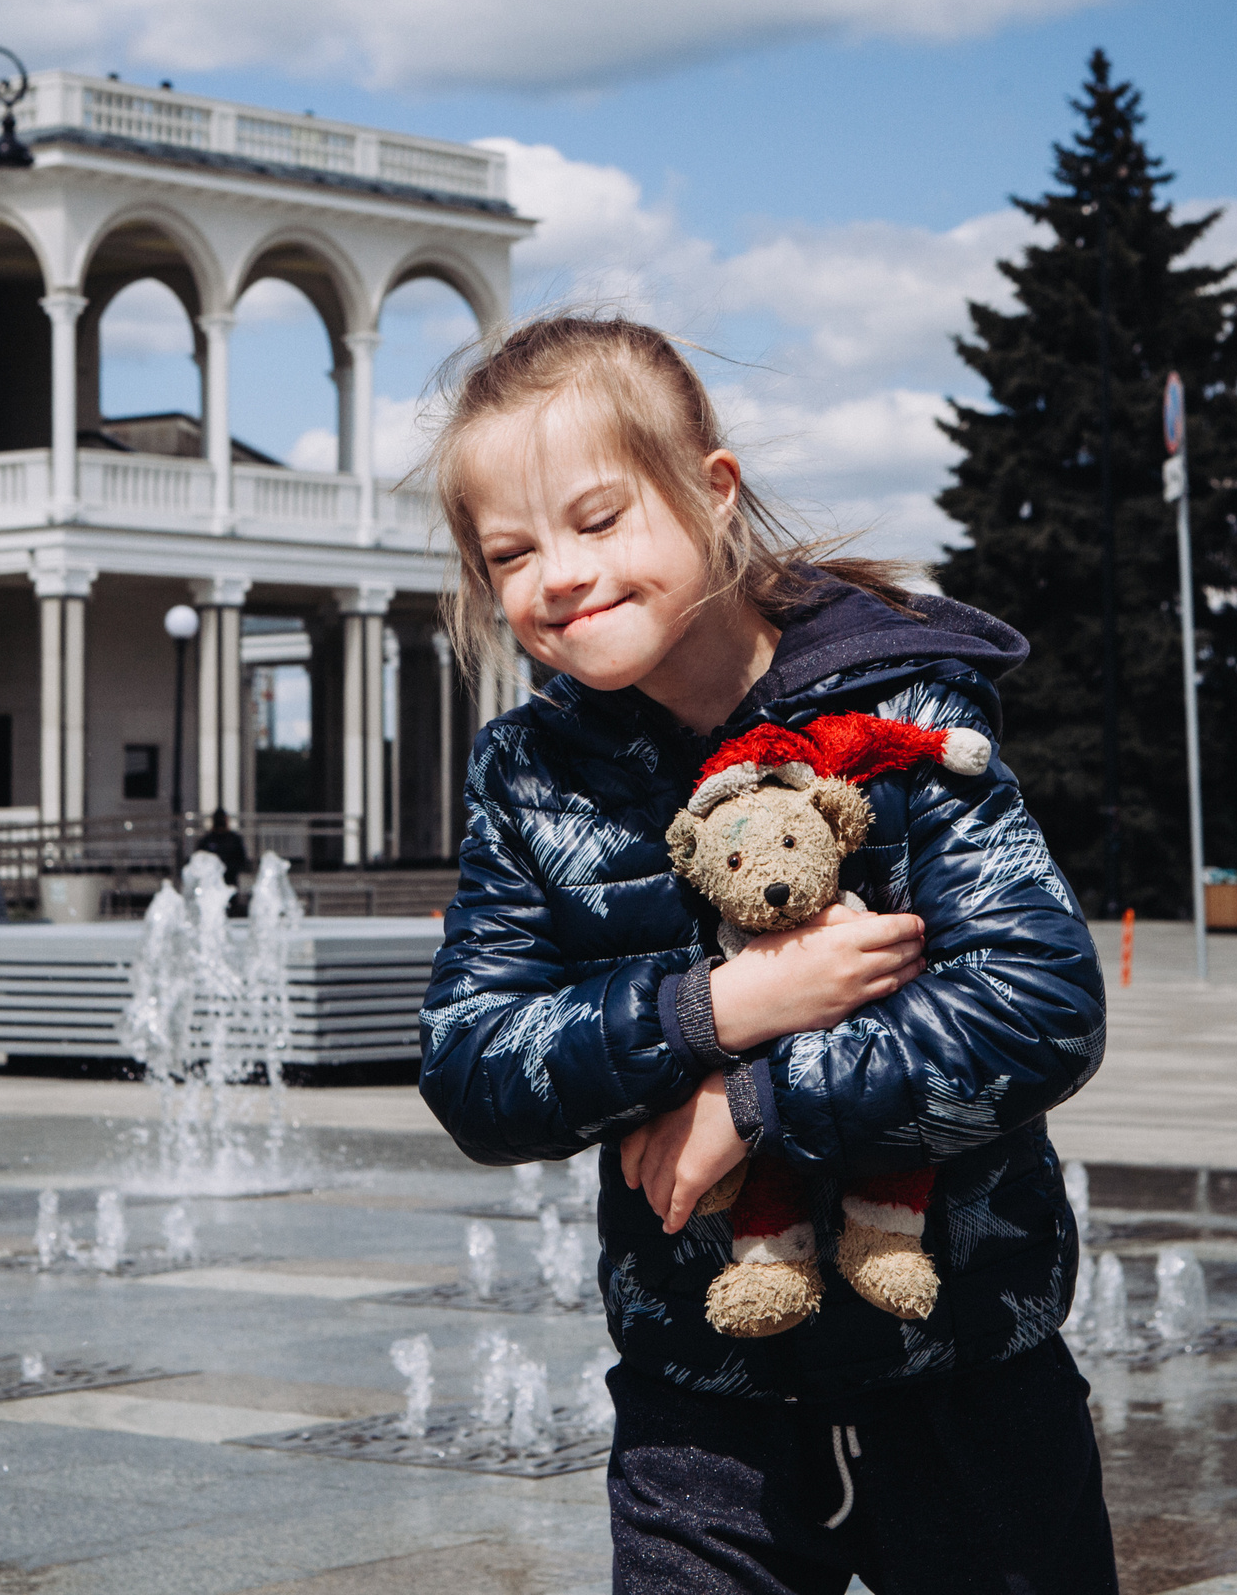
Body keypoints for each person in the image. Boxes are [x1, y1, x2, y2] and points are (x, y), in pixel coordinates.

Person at [417, 315, 1113, 1594]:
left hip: (967, 1378)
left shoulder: (899, 707)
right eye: (510, 553)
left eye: (598, 518)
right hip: (703, 1414)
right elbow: (471, 1067)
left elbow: (1040, 1007)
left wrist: (757, 1100)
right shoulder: (531, 778)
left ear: (711, 492)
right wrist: (715, 1006)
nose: (559, 574)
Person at [194, 809, 252, 888]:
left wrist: (230, 867)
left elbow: (241, 859)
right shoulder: (207, 840)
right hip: (211, 881)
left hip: (230, 878)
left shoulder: (234, 839)